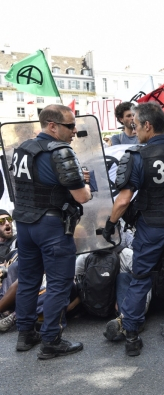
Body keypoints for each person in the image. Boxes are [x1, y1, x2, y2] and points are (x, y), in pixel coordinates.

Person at [101, 102, 164, 358]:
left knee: (140, 279)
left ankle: (132, 336)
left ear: (148, 125)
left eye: (135, 125)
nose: (134, 130)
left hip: (151, 228)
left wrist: (110, 224)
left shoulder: (136, 156)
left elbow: (124, 200)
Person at [12, 104, 92, 359]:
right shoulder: (60, 151)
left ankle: (25, 334)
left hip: (24, 224)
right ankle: (51, 340)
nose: (74, 130)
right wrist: (86, 184)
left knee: (27, 281)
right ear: (52, 126)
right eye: (70, 125)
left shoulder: (23, 148)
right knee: (59, 284)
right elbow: (82, 197)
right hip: (51, 226)